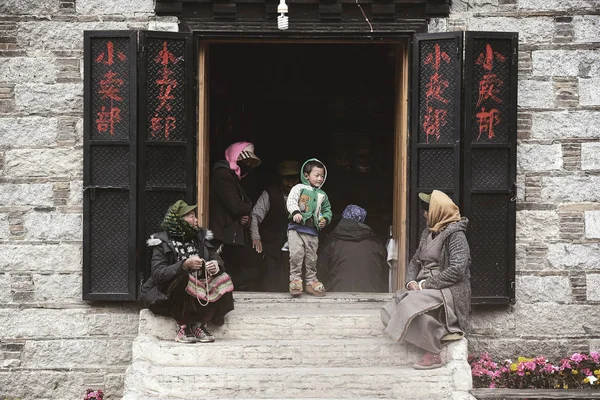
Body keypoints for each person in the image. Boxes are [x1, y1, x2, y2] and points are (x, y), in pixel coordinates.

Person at [381, 190, 471, 369]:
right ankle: (439, 332)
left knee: (407, 304)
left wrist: (425, 284)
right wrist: (410, 282)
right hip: (424, 287)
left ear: (439, 211)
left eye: (427, 210)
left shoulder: (456, 235)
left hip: (447, 288)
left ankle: (432, 351)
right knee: (388, 310)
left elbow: (457, 270)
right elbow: (415, 260)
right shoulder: (428, 233)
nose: (424, 214)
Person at [141, 200, 234, 343]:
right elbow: (158, 274)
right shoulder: (162, 242)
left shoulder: (200, 238)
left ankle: (200, 325)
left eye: (195, 216)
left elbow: (217, 259)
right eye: (191, 216)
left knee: (224, 278)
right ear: (179, 220)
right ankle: (183, 327)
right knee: (184, 279)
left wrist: (216, 265)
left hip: (199, 292)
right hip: (170, 295)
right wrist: (183, 265)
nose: (196, 220)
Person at [209, 141, 262, 291]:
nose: (246, 165)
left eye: (249, 163)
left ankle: (225, 287)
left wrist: (245, 217)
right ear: (234, 156)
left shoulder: (233, 176)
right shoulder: (223, 174)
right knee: (253, 266)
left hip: (231, 232)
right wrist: (246, 209)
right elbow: (237, 207)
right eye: (244, 161)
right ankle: (223, 287)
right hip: (224, 233)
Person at [250, 160, 301, 292]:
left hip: (295, 248)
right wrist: (256, 237)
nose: (290, 184)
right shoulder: (270, 194)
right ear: (280, 178)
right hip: (272, 248)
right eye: (287, 180)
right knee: (272, 283)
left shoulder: (304, 194)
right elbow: (255, 216)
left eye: (294, 179)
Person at [286, 158, 332, 297]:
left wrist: (325, 219)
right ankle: (295, 280)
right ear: (306, 176)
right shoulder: (298, 188)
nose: (319, 178)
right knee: (296, 255)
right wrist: (295, 212)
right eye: (316, 175)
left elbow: (327, 210)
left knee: (312, 258)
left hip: (312, 231)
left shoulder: (322, 195)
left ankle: (311, 281)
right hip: (296, 229)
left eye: (322, 176)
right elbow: (291, 200)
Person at [317, 204, 388, 292]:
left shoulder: (331, 242)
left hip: (336, 296)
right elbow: (385, 275)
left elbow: (320, 273)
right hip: (371, 296)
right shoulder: (376, 243)